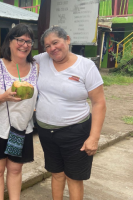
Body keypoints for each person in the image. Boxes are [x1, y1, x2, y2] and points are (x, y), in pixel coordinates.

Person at [34, 26, 106, 200]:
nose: (52, 48)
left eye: (55, 42)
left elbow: (99, 103)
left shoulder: (86, 66)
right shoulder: (40, 60)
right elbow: (18, 61)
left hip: (75, 132)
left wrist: (94, 137)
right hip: (46, 131)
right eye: (47, 46)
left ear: (67, 39)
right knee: (56, 174)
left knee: (74, 177)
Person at [0, 23, 38, 200]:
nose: (25, 45)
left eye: (29, 41)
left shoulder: (36, 66)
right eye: (20, 40)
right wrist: (3, 97)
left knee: (15, 170)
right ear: (10, 42)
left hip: (21, 128)